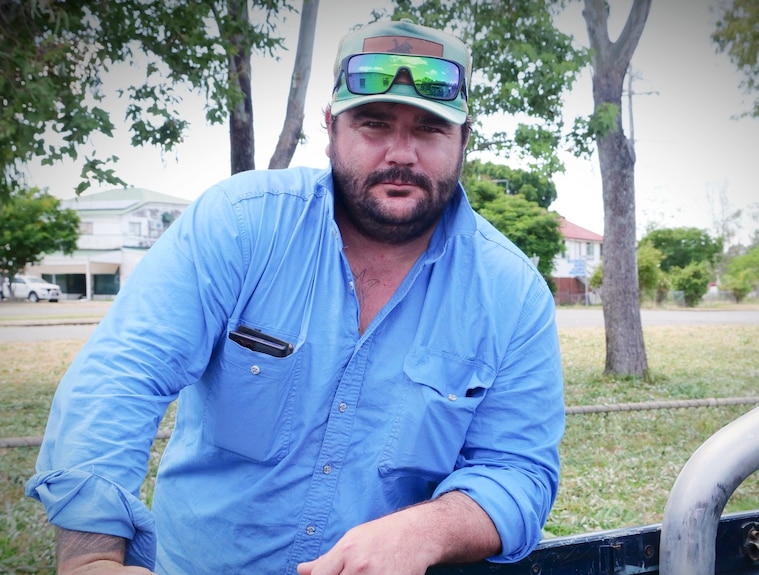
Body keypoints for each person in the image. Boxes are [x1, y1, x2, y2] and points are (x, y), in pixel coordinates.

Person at [26, 18, 565, 575]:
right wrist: (90, 554)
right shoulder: (241, 225)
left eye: (429, 129)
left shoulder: (513, 294)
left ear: (463, 141)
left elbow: (519, 471)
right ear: (331, 128)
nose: (401, 153)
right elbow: (122, 374)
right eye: (374, 124)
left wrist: (428, 529)